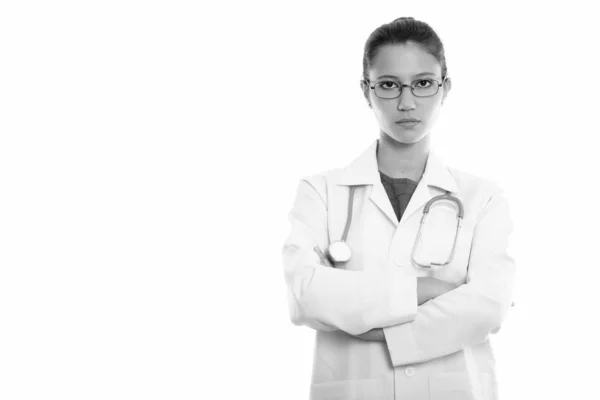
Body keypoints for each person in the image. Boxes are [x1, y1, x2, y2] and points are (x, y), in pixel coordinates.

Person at [282, 17, 516, 400]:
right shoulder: (321, 193)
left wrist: (368, 322)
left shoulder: (483, 198)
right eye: (389, 85)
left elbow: (488, 307)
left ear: (445, 89)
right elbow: (304, 294)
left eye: (423, 83)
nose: (406, 103)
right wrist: (424, 289)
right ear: (366, 90)